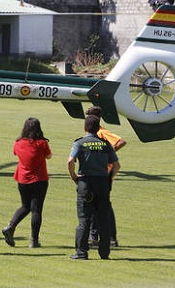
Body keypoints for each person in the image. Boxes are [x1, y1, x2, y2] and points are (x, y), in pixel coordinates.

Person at [67, 115, 120, 260]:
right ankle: (104, 253)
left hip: (86, 183)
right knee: (103, 219)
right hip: (103, 183)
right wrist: (109, 178)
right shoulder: (105, 144)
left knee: (84, 219)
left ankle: (81, 253)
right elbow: (116, 165)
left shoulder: (80, 143)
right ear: (98, 128)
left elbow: (71, 160)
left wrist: (74, 176)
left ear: (85, 128)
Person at [1, 117, 52, 248]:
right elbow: (48, 156)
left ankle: (11, 227)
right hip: (39, 179)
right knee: (36, 210)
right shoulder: (41, 143)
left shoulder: (18, 143)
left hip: (22, 179)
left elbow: (15, 153)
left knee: (25, 206)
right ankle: (34, 240)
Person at [86, 106, 126, 247]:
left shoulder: (102, 132)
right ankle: (95, 236)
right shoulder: (92, 132)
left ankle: (110, 238)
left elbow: (121, 141)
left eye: (89, 116)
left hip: (103, 173)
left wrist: (107, 155)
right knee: (94, 206)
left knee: (104, 207)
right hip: (96, 173)